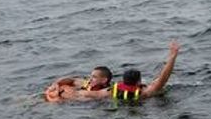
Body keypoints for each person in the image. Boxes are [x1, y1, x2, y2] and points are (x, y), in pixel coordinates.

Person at [44, 41, 180, 102]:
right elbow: (163, 78)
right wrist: (172, 56)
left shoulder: (109, 92)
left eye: (94, 76)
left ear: (122, 81)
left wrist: (61, 93)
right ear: (139, 81)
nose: (90, 78)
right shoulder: (146, 93)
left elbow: (80, 95)